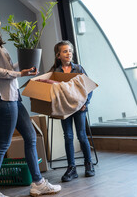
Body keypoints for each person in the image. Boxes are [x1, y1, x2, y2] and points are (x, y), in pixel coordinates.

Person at [0, 9, 61, 197]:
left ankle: (38, 183)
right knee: (3, 145)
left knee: (30, 137)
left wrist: (23, 67)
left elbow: (6, 68)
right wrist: (20, 74)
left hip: (14, 97)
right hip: (4, 99)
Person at [45, 40, 94, 182]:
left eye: (70, 51)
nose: (69, 53)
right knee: (68, 136)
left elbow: (89, 87)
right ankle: (71, 168)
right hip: (64, 108)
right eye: (65, 51)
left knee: (81, 135)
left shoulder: (78, 68)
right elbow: (48, 89)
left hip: (80, 107)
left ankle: (88, 164)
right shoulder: (55, 72)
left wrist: (86, 102)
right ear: (58, 55)